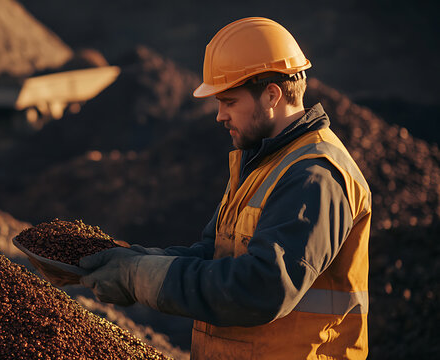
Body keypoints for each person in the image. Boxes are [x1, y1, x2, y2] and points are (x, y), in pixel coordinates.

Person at [78, 17, 371, 359]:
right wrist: (134, 260)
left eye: (229, 101)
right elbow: (214, 255)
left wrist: (138, 278)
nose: (219, 115)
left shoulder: (314, 176)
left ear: (272, 95)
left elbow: (261, 287)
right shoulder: (264, 164)